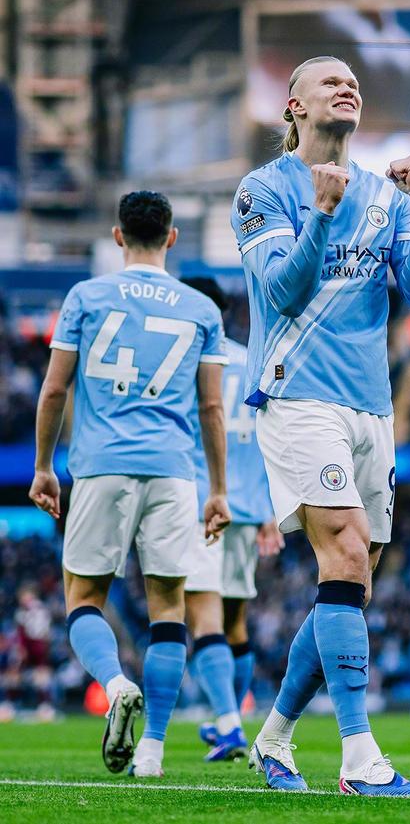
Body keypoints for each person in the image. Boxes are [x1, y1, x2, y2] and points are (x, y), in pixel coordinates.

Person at [230, 55, 410, 796]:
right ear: (294, 106)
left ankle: (274, 738)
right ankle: (360, 759)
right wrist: (321, 214)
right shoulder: (263, 189)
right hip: (297, 396)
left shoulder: (386, 195)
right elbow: (281, 294)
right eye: (330, 81)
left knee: (352, 578)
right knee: (348, 551)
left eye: (354, 81)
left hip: (371, 404)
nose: (348, 87)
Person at [29, 191, 231, 777]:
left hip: (102, 465)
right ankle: (153, 752)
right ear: (172, 237)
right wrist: (218, 489)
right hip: (173, 471)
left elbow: (54, 389)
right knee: (169, 609)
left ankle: (117, 685)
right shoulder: (202, 309)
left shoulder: (86, 297)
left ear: (118, 236)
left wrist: (44, 466)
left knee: (83, 599)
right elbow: (211, 408)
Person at [179, 277, 283, 762]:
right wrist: (270, 509)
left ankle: (229, 725)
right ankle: (230, 720)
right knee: (234, 623)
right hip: (250, 508)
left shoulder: (187, 363)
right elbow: (273, 438)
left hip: (202, 505)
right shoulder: (252, 361)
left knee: (203, 617)